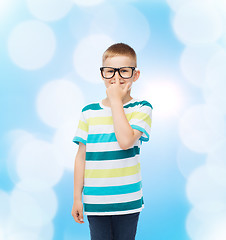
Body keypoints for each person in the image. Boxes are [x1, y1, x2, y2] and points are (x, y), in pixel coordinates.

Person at [71, 43, 153, 240]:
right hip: (96, 202)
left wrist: (116, 101)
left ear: (135, 75)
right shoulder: (89, 112)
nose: (116, 78)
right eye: (110, 72)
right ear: (102, 75)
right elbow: (81, 157)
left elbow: (125, 141)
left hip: (128, 201)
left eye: (124, 71)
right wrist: (76, 198)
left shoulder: (142, 108)